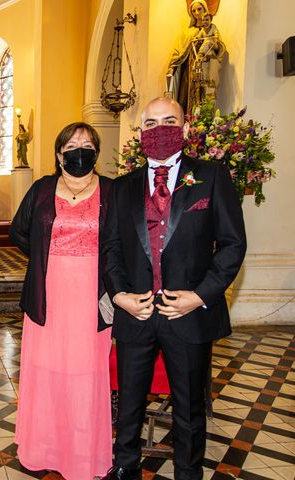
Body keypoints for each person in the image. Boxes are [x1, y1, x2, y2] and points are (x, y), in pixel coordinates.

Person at [100, 97, 246, 480]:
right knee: (128, 402)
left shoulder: (212, 177)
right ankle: (125, 466)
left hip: (190, 314)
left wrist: (200, 296)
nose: (159, 129)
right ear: (140, 133)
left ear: (184, 128)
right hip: (137, 312)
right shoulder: (122, 187)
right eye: (150, 123)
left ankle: (187, 472)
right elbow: (111, 247)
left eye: (168, 121)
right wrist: (119, 296)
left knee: (189, 405)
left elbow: (232, 244)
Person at [10, 122, 114, 479]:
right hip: (47, 291)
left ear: (96, 153)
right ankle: (42, 447)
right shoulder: (41, 189)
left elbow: (123, 243)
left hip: (93, 294)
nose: (79, 149)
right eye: (72, 144)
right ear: (59, 154)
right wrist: (45, 256)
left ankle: (84, 454)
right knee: (45, 368)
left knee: (87, 371)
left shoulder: (113, 192)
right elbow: (18, 231)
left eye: (87, 144)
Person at [166, 0, 214, 113]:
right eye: (193, 11)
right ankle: (185, 118)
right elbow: (179, 50)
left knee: (203, 95)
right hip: (188, 68)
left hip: (204, 68)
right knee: (184, 94)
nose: (197, 13)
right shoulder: (188, 32)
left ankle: (201, 119)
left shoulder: (210, 29)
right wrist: (172, 65)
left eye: (199, 9)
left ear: (205, 9)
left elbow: (218, 47)